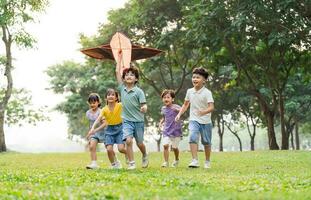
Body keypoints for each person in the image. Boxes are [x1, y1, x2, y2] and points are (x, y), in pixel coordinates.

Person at [175, 67, 214, 169]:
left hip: (206, 121)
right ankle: (194, 160)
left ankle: (207, 161)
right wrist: (179, 114)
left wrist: (203, 112)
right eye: (193, 77)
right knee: (192, 137)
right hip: (194, 119)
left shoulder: (207, 93)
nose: (195, 79)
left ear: (204, 80)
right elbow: (185, 105)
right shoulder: (189, 91)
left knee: (206, 142)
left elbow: (211, 107)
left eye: (198, 77)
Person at [115, 54, 149, 170]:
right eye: (127, 75)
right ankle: (132, 162)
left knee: (139, 143)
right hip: (127, 121)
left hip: (138, 121)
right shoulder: (122, 89)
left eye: (132, 75)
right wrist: (119, 59)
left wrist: (144, 108)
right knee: (128, 141)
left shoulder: (139, 92)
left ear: (136, 79)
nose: (129, 76)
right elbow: (117, 72)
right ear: (124, 78)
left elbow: (144, 105)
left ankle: (144, 154)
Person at [88, 88, 127, 169]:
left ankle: (124, 156)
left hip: (112, 130)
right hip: (103, 132)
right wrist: (92, 129)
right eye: (109, 95)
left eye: (113, 95)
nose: (110, 96)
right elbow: (96, 120)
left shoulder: (118, 106)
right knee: (106, 149)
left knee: (119, 149)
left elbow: (105, 123)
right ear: (106, 98)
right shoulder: (99, 110)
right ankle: (110, 164)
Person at [159, 89, 182, 168]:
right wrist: (161, 122)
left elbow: (182, 111)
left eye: (168, 97)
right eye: (164, 97)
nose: (166, 99)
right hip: (167, 131)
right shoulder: (163, 109)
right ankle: (165, 162)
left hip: (176, 131)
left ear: (172, 99)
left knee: (174, 147)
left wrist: (178, 111)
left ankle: (176, 159)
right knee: (165, 145)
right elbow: (164, 117)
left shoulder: (176, 107)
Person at [85, 93, 106, 169]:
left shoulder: (101, 112)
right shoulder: (88, 113)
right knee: (92, 146)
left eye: (94, 102)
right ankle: (94, 164)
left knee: (109, 148)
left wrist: (95, 129)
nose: (92, 104)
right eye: (90, 103)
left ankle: (115, 162)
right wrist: (89, 134)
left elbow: (104, 124)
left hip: (104, 132)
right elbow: (90, 124)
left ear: (98, 102)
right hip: (94, 134)